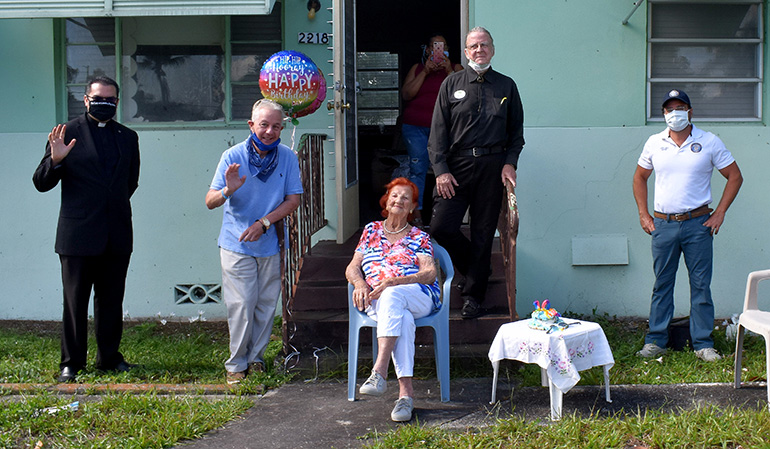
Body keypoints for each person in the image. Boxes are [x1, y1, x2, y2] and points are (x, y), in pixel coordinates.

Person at [32, 76, 141, 382]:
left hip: (117, 232)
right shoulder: (66, 133)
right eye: (98, 98)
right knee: (75, 301)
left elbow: (129, 183)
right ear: (85, 99)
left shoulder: (128, 137)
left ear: (117, 102)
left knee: (111, 300)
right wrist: (55, 161)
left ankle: (109, 357)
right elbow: (41, 183)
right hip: (77, 234)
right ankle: (71, 362)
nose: (103, 103)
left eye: (110, 99)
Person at [633, 89, 743, 362]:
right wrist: (643, 215)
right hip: (663, 225)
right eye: (670, 109)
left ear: (690, 111)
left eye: (680, 107)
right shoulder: (654, 142)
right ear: (664, 114)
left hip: (698, 224)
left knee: (701, 286)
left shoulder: (709, 141)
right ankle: (656, 341)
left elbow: (735, 176)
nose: (675, 114)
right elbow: (639, 178)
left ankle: (703, 343)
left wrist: (720, 213)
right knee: (662, 284)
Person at [428, 26, 524, 319]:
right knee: (442, 227)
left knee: (483, 232)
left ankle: (473, 297)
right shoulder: (451, 84)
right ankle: (474, 269)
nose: (479, 50)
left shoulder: (506, 86)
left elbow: (516, 134)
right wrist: (441, 171)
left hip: (492, 169)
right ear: (466, 52)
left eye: (484, 45)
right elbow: (437, 135)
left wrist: (510, 163)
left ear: (492, 50)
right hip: (455, 170)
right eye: (473, 46)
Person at [205, 99, 302, 384]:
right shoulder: (232, 155)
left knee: (264, 305)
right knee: (242, 304)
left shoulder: (287, 157)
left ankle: (256, 359)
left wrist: (264, 223)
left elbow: (293, 199)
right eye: (264, 125)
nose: (269, 131)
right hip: (236, 245)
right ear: (251, 125)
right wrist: (227, 190)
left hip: (268, 242)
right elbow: (209, 201)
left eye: (276, 126)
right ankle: (236, 364)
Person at [345, 177, 441, 422]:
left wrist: (392, 282)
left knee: (393, 293)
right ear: (386, 201)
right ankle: (405, 397)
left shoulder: (419, 236)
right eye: (395, 195)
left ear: (411, 208)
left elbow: (430, 274)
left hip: (417, 295)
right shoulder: (371, 231)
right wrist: (359, 283)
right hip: (378, 299)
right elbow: (353, 267)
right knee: (402, 320)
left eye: (405, 198)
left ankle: (379, 369)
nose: (399, 200)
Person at [401, 34, 463, 224]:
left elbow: (463, 95)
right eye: (435, 47)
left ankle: (445, 216)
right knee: (417, 169)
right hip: (415, 128)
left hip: (446, 130)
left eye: (443, 47)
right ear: (428, 50)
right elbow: (407, 94)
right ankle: (417, 214)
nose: (438, 51)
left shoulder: (456, 69)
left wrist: (447, 71)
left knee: (446, 170)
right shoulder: (417, 68)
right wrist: (425, 72)